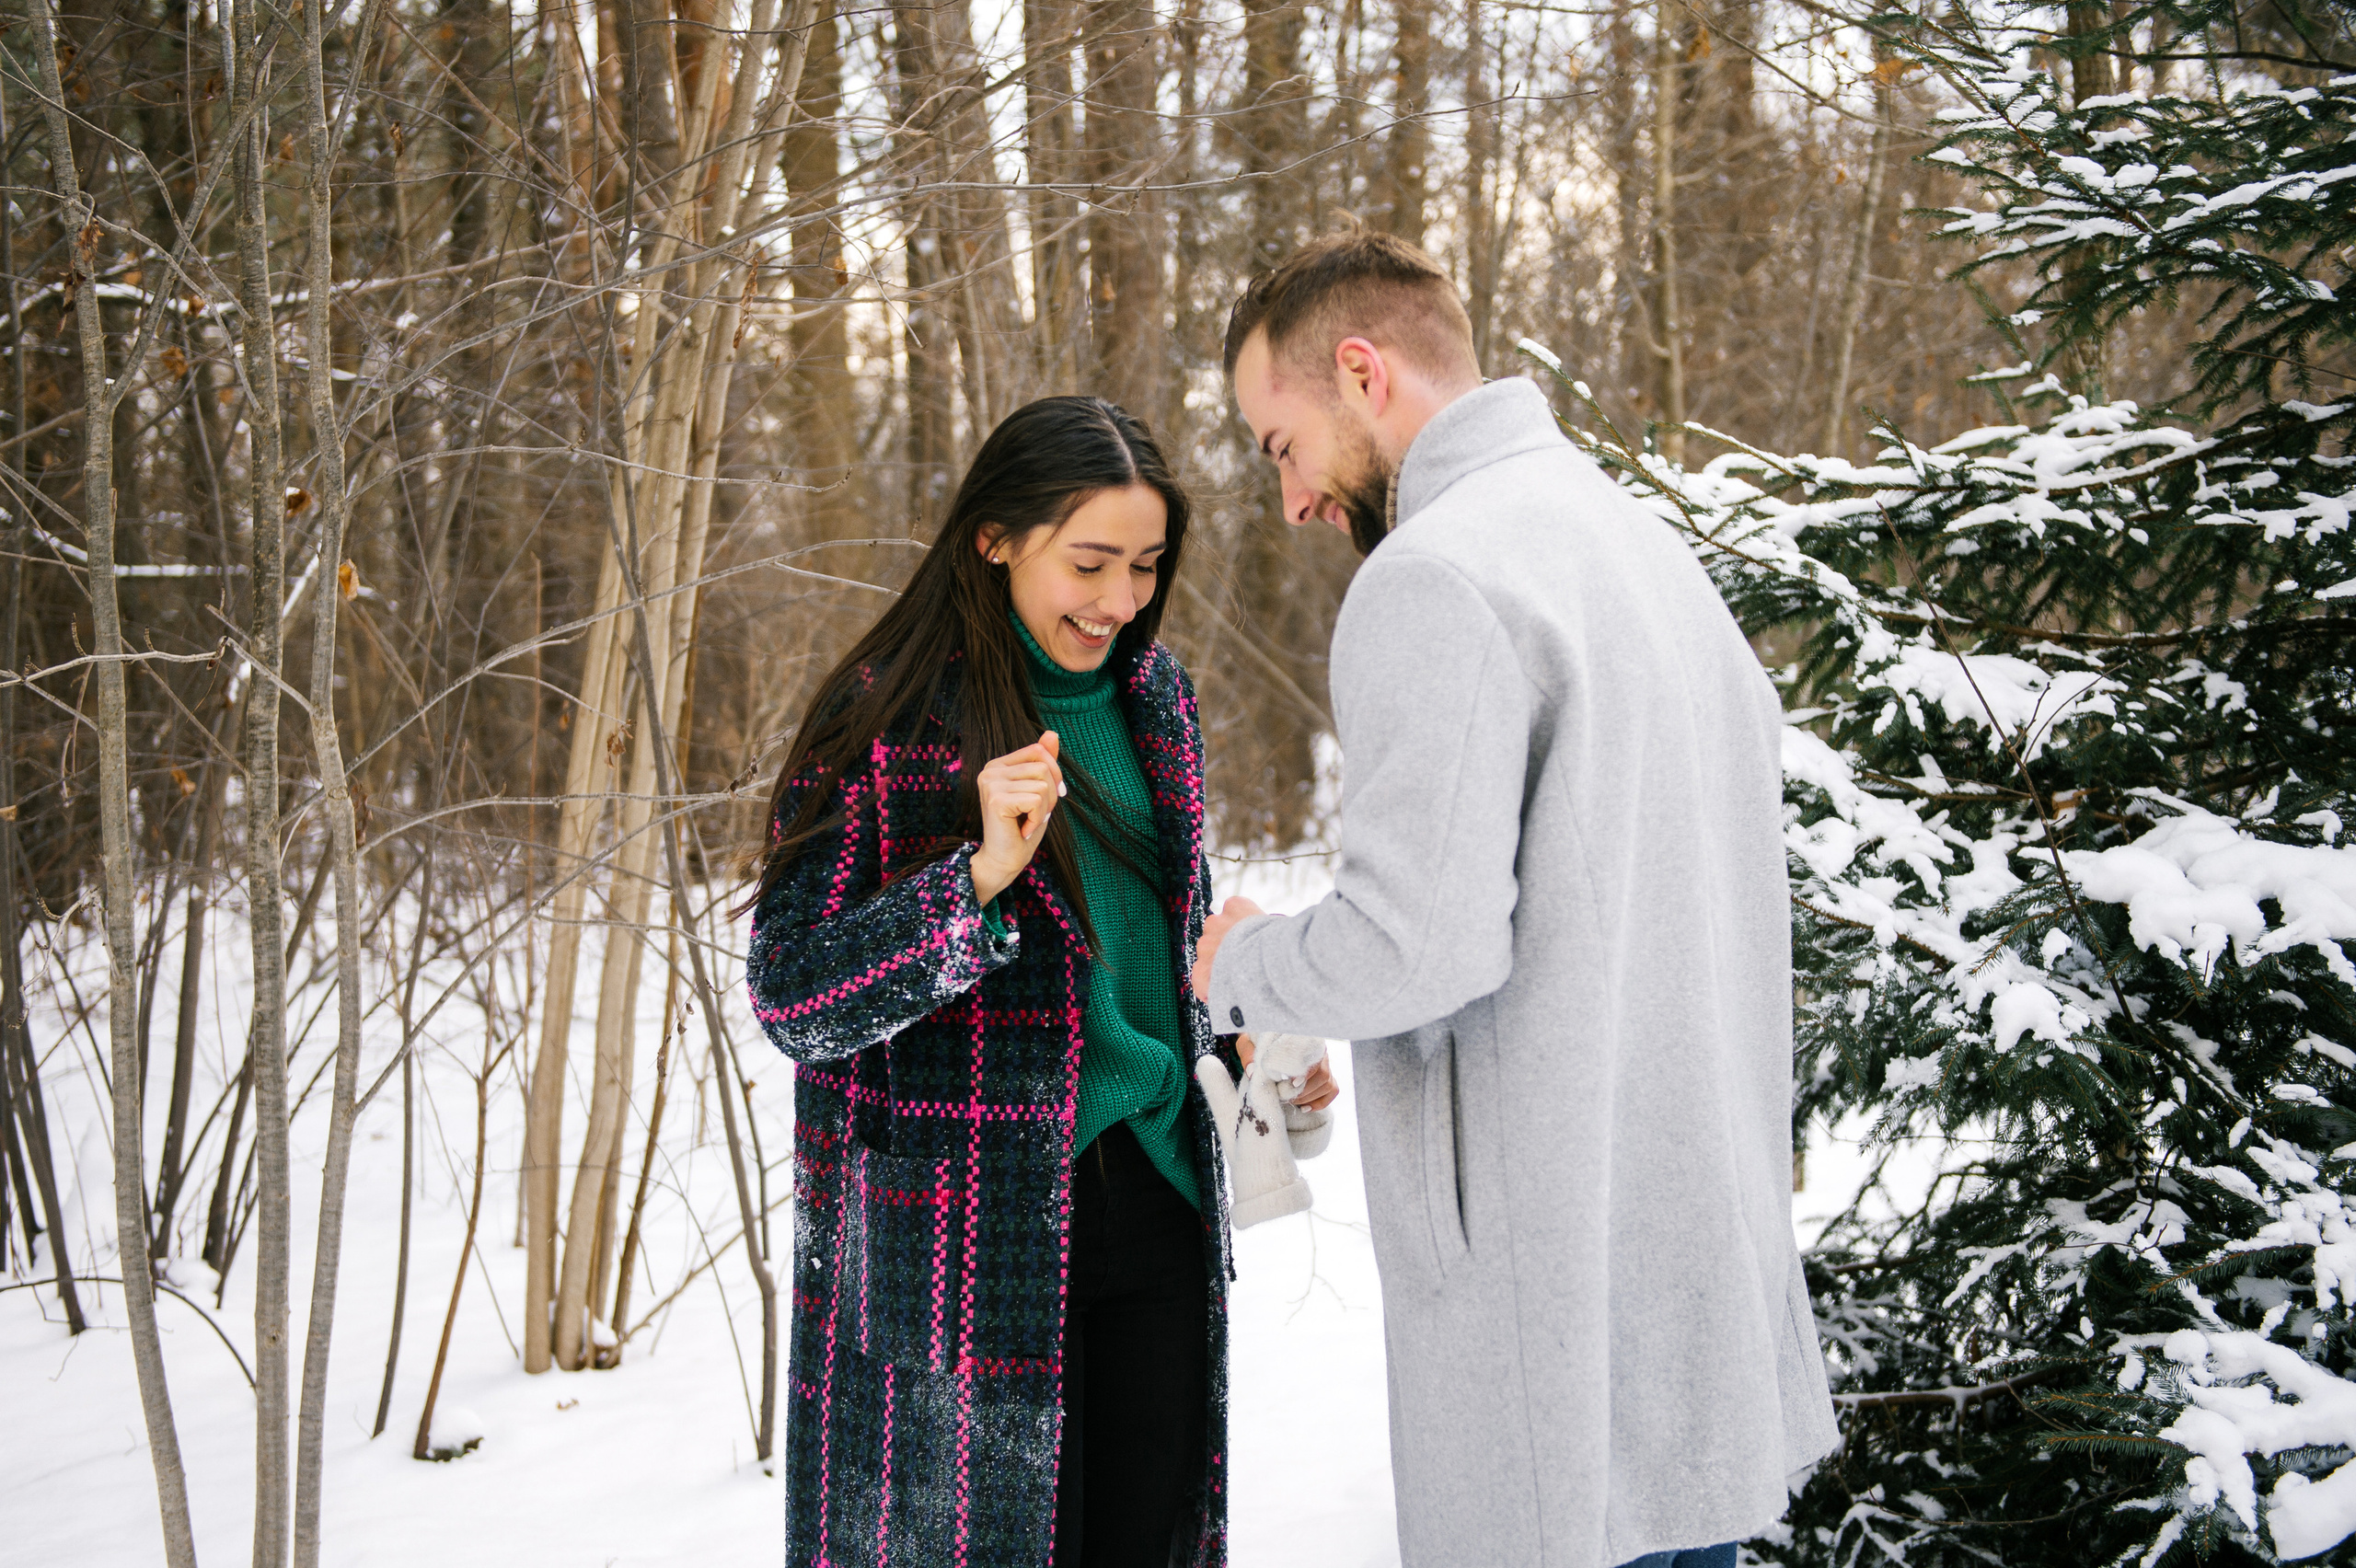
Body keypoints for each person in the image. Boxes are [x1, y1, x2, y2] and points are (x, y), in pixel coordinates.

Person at [1190, 230, 1840, 1568]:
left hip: (1553, 1304)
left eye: (1278, 444)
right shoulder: (1638, 547)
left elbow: (1410, 945)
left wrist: (1245, 963)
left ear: (1359, 372)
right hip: (1685, 1279)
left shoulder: (1431, 576)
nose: (1296, 497)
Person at [745, 394, 1335, 1568]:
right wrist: (968, 885)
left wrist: (1251, 1061)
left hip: (1160, 1200)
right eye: (1091, 562)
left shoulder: (1155, 701)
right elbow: (793, 994)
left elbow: (1151, 958)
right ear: (994, 536)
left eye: (1146, 566)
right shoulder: (888, 717)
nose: (1119, 601)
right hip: (964, 1241)